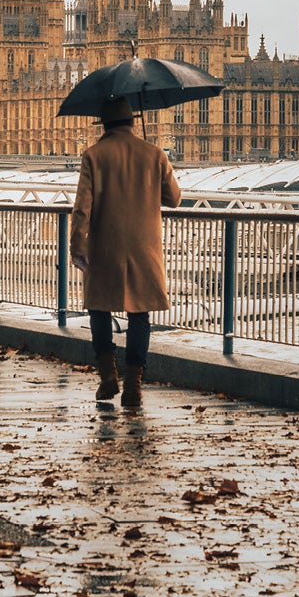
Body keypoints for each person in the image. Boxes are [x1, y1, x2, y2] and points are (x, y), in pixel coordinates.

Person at [68, 95, 181, 411]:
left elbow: (82, 209)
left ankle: (107, 375)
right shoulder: (154, 154)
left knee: (99, 309)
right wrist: (153, 169)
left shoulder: (94, 155)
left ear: (103, 124)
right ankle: (134, 383)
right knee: (140, 313)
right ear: (133, 122)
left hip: (105, 246)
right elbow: (174, 199)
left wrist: (78, 245)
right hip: (143, 247)